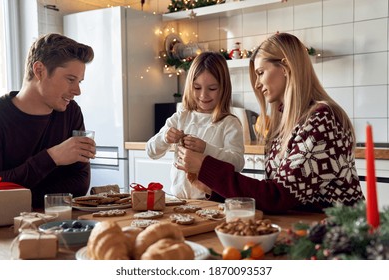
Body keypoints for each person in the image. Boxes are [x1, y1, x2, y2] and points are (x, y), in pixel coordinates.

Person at [176, 33, 364, 213]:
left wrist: (205, 166)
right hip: (302, 229)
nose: (257, 84)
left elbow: (277, 196)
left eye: (260, 72)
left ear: (285, 67)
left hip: (337, 235)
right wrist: (210, 189)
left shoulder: (322, 119)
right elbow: (269, 195)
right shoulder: (283, 124)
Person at [0, 33, 96, 208]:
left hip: (61, 223)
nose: (77, 91)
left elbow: (81, 184)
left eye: (79, 81)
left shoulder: (71, 112)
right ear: (39, 70)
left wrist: (22, 193)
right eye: (70, 79)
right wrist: (52, 158)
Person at [146, 51, 245, 199]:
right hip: (179, 201)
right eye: (197, 88)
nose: (203, 95)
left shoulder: (229, 123)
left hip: (212, 203)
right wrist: (165, 138)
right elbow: (151, 151)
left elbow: (237, 163)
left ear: (224, 88)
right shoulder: (181, 117)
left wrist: (206, 149)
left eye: (212, 89)